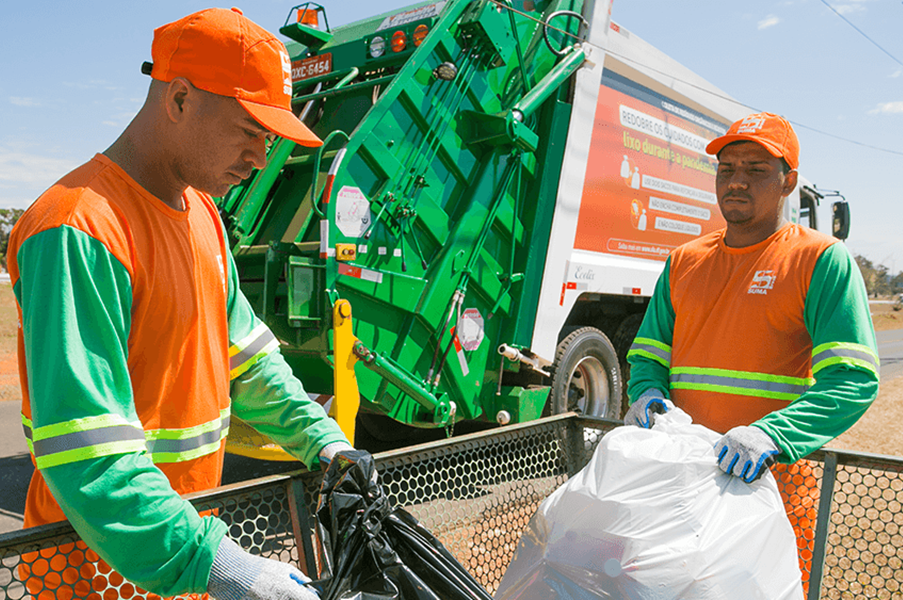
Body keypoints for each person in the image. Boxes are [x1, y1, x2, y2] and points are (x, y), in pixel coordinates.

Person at [9, 8, 358, 600]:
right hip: (90, 577)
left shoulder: (204, 220)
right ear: (178, 99)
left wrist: (324, 442)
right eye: (250, 130)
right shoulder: (78, 227)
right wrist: (221, 566)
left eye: (270, 138)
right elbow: (88, 454)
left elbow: (247, 360)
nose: (260, 156)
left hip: (175, 570)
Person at [623, 112, 878, 588]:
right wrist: (646, 393)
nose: (737, 182)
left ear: (789, 183)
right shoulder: (683, 261)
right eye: (727, 169)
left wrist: (772, 435)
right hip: (683, 484)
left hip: (771, 490)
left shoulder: (820, 259)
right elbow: (649, 356)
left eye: (756, 170)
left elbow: (853, 379)